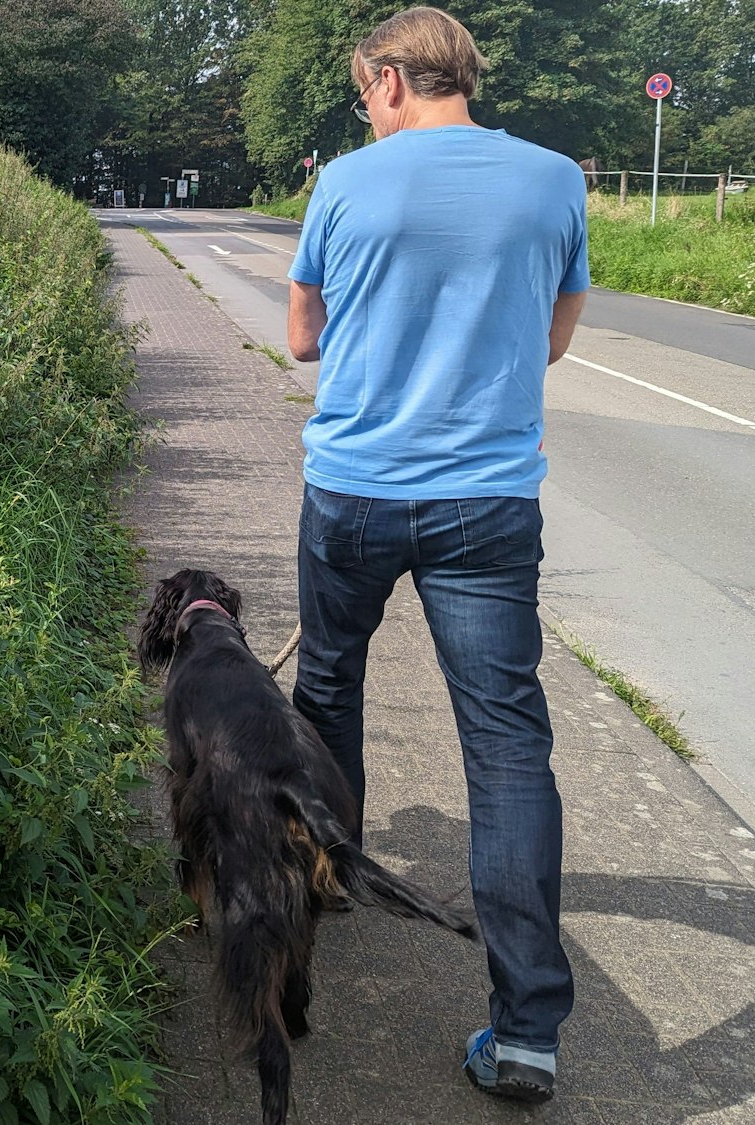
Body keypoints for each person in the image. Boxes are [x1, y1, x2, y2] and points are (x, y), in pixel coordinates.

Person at [282, 6, 587, 1106]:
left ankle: (325, 878)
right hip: (486, 505)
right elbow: (552, 335)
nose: (365, 110)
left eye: (364, 93)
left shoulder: (347, 183)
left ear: (387, 81)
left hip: (354, 492)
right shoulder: (555, 178)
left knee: (326, 688)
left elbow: (303, 336)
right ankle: (525, 1035)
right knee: (506, 748)